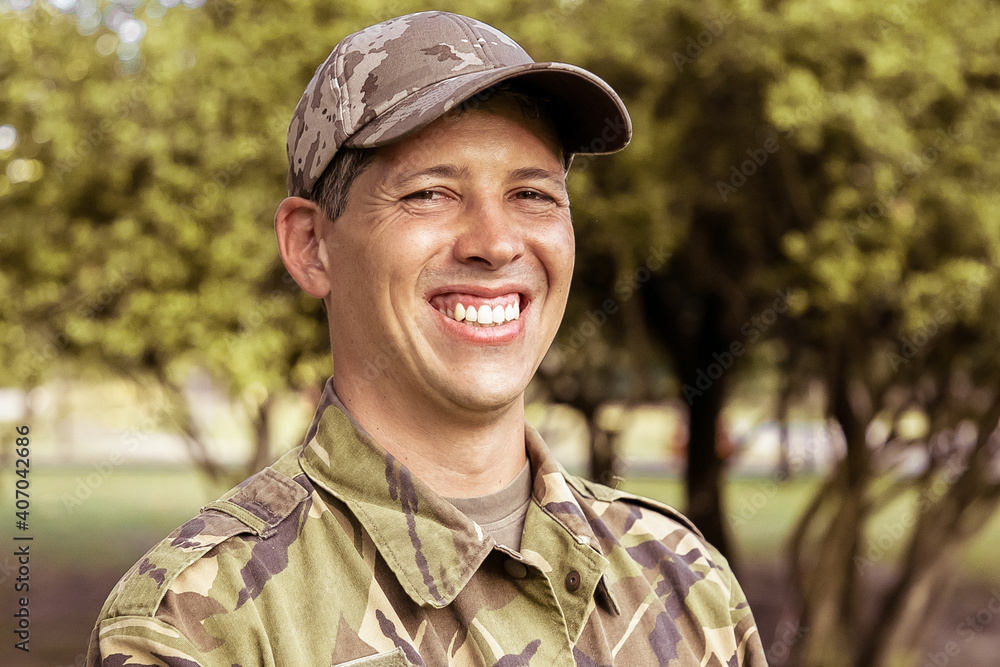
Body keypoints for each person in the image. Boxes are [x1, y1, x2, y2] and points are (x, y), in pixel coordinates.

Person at [86, 11, 767, 666]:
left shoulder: (685, 581)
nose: (497, 243)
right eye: (430, 194)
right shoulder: (197, 625)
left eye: (533, 194)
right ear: (311, 245)